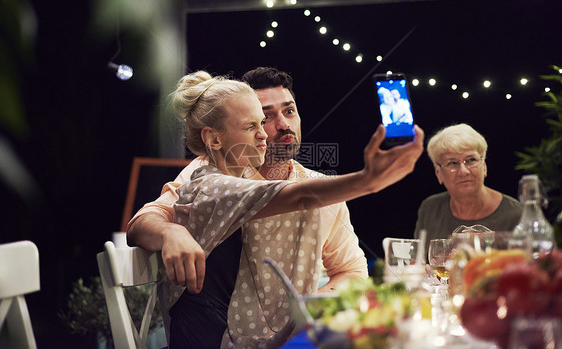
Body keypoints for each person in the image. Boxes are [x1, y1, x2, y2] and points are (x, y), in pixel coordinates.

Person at [127, 70, 424, 348]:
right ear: (215, 137)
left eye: (289, 111)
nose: (281, 125)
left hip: (290, 334)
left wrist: (312, 305)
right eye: (263, 117)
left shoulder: (318, 184)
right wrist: (170, 232)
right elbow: (143, 221)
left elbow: (351, 270)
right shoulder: (210, 175)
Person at [413, 123, 521, 252]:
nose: (463, 171)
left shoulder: (515, 214)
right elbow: (417, 262)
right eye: (452, 163)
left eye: (471, 160)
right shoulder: (430, 209)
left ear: (484, 166)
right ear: (438, 173)